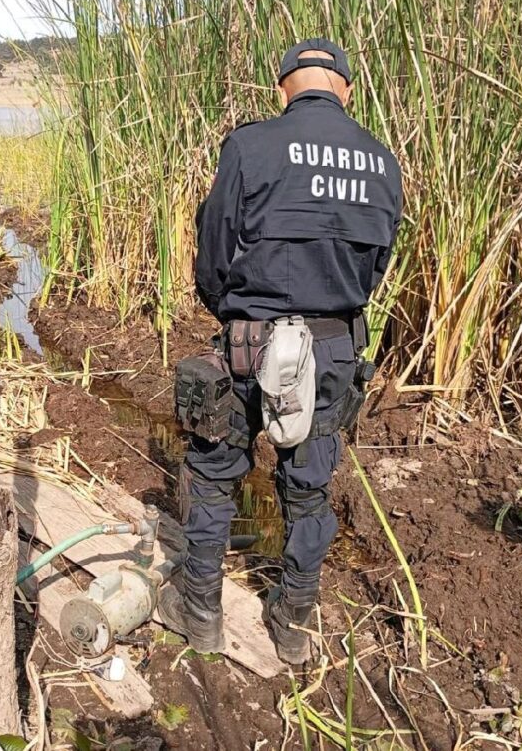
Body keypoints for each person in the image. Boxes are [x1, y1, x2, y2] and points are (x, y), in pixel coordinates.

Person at [160, 39, 403, 664]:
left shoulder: (249, 146)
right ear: (346, 90)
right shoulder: (382, 163)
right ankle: (292, 624)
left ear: (283, 90)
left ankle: (202, 615)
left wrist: (234, 315)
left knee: (214, 478)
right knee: (309, 488)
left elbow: (213, 250)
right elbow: (374, 269)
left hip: (248, 341)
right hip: (332, 350)